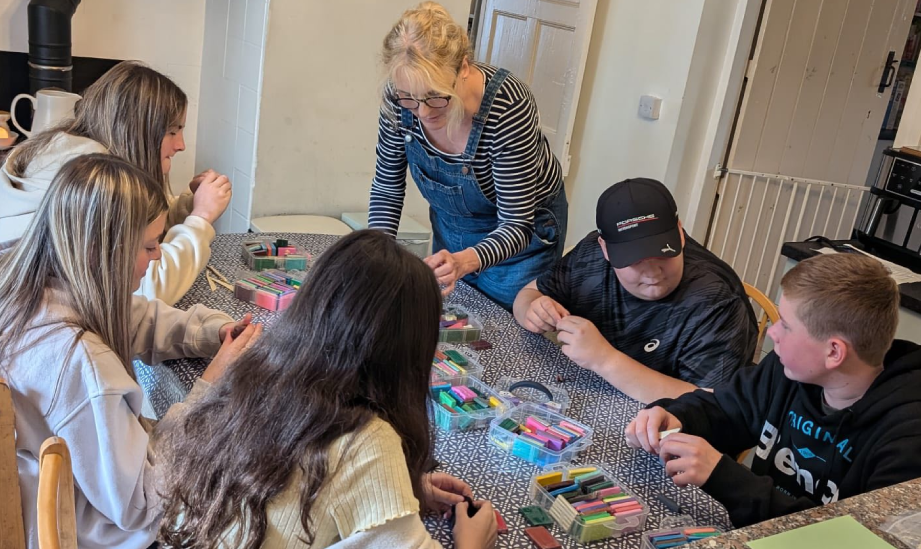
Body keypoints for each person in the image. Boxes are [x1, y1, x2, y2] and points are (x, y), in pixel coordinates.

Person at [0, 154, 261, 548]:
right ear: (102, 251)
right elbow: (141, 505)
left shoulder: (14, 281)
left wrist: (210, 332)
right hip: (80, 529)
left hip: (43, 494)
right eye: (149, 246)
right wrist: (210, 386)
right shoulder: (79, 362)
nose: (159, 255)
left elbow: (135, 317)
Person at [157, 230, 498, 549]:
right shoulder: (369, 440)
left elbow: (297, 482)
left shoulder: (257, 370)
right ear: (408, 353)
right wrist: (474, 541)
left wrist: (404, 489)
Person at [625, 253, 921, 527]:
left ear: (834, 352)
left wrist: (725, 478)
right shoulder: (789, 371)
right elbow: (727, 409)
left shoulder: (907, 440)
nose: (771, 332)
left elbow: (852, 541)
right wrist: (675, 417)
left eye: (787, 326)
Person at [369, 1, 568, 309]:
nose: (421, 113)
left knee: (501, 332)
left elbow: (516, 223)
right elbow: (387, 187)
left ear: (463, 67)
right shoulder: (399, 97)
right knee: (450, 322)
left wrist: (466, 261)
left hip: (523, 236)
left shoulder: (508, 106)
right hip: (453, 225)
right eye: (409, 98)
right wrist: (377, 254)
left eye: (435, 96)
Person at [0, 60, 232, 305]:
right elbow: (149, 292)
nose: (180, 145)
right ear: (136, 131)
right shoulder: (95, 184)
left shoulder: (72, 151)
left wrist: (189, 207)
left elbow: (140, 234)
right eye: (172, 131)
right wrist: (201, 217)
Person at [513, 178, 757, 403]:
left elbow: (712, 405)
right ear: (605, 249)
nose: (652, 273)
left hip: (674, 428)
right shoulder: (589, 256)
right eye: (634, 259)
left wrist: (605, 360)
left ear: (680, 234)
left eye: (664, 253)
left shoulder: (717, 302)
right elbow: (528, 294)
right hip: (592, 396)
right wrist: (533, 310)